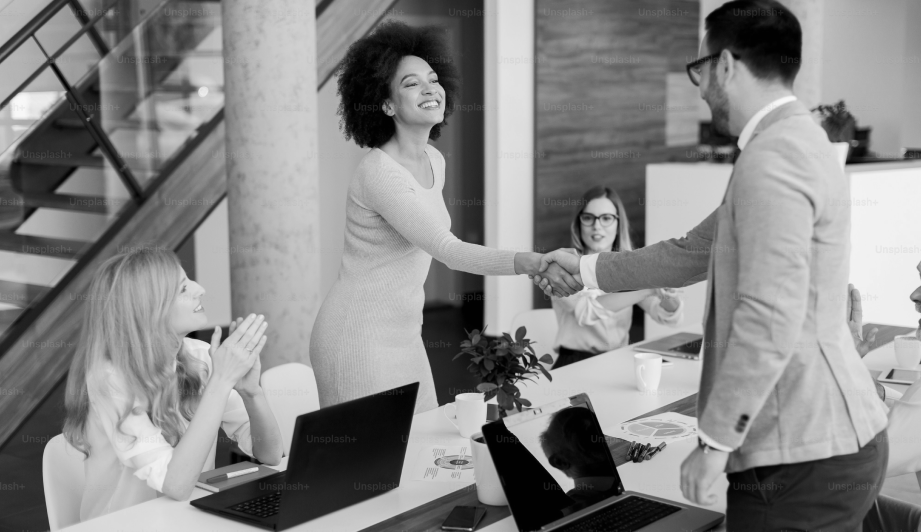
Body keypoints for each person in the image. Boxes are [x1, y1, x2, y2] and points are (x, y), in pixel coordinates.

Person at [534, 1, 888, 529]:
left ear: (725, 65)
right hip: (818, 442)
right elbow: (689, 251)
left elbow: (768, 315)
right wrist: (586, 269)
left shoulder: (775, 157)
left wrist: (717, 442)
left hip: (802, 449)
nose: (699, 89)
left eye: (699, 70)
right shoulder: (786, 144)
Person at [309, 22, 570, 414]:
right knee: (370, 464)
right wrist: (530, 261)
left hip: (406, 332)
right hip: (356, 336)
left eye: (433, 79)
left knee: (424, 445)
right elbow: (448, 249)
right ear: (386, 104)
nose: (431, 88)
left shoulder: (434, 159)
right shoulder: (379, 173)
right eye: (412, 83)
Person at [62, 247, 282, 521]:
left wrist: (251, 392)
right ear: (147, 309)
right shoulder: (111, 380)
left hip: (186, 519)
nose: (200, 289)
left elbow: (271, 454)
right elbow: (175, 485)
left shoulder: (201, 357)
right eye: (182, 289)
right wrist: (222, 381)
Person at [849, 256, 921, 532]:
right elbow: (919, 415)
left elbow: (856, 465)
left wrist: (838, 363)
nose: (915, 294)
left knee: (814, 492)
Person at [550, 186, 683, 368]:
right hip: (575, 363)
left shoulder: (628, 265)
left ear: (618, 225)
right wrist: (648, 289)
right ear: (579, 223)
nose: (597, 226)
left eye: (606, 218)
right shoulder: (561, 269)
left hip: (618, 361)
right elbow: (586, 311)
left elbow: (669, 318)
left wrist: (667, 291)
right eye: (589, 218)